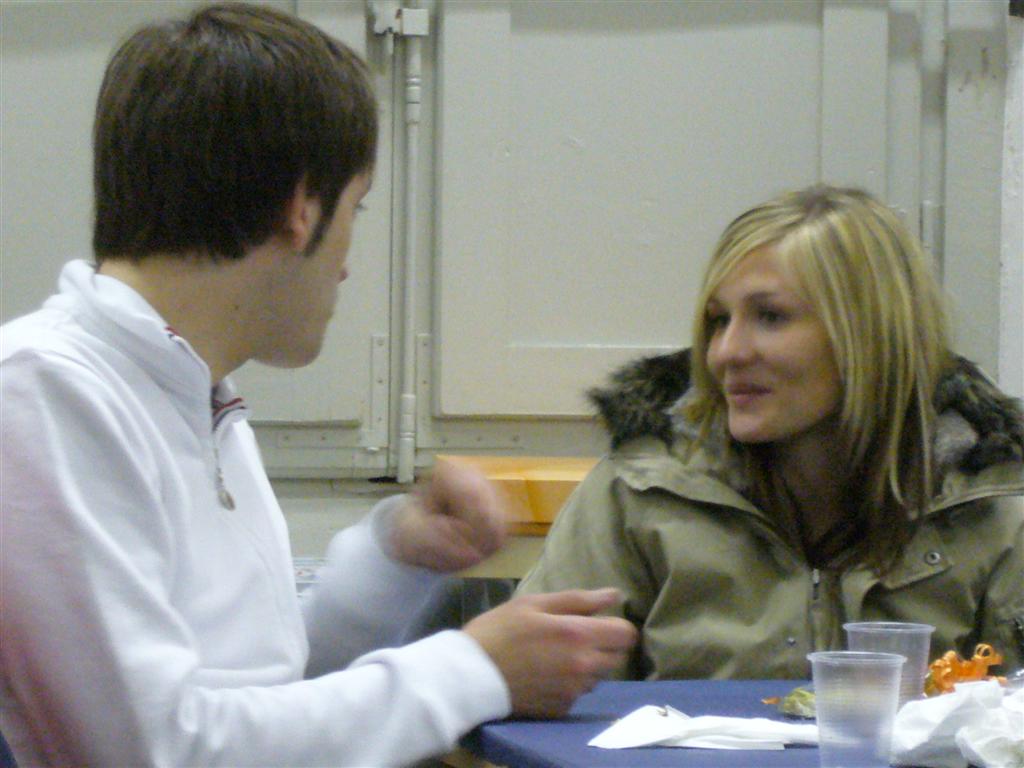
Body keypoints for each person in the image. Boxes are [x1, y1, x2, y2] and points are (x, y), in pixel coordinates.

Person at [0, 4, 637, 766]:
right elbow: (152, 749)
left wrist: (394, 558)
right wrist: (474, 670)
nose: (347, 264)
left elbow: (268, 690)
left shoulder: (190, 398)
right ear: (301, 211)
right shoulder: (44, 396)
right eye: (354, 210)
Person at [517, 185, 1024, 682]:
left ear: (871, 334)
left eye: (771, 316)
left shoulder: (992, 503)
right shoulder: (643, 487)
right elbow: (533, 695)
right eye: (719, 321)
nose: (726, 353)